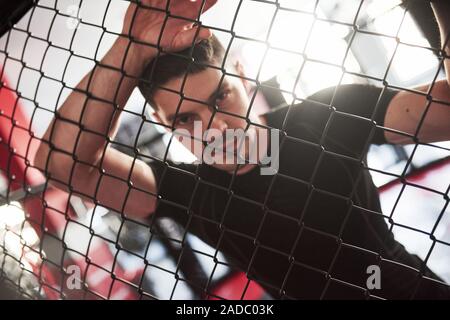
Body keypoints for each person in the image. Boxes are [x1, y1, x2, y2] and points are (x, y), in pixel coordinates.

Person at [34, 0, 450, 299]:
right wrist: (131, 47)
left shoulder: (327, 114)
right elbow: (58, 163)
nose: (215, 128)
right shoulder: (185, 190)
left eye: (220, 98)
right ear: (165, 124)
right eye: (185, 119)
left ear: (241, 74)